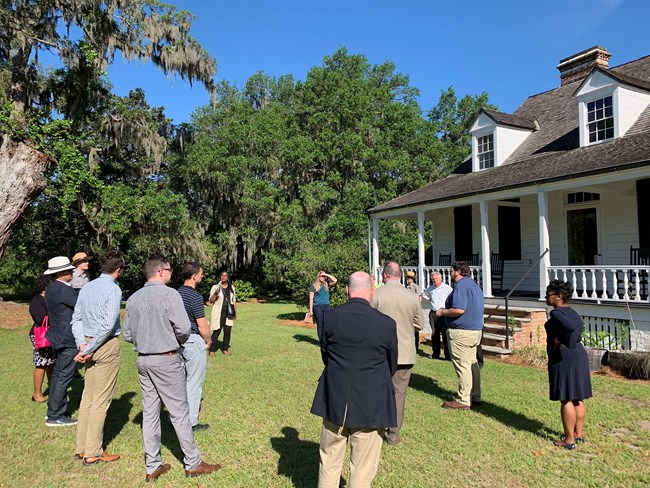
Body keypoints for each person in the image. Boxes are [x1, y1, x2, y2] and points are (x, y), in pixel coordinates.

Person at [122, 256, 221, 481]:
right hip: (166, 359)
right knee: (179, 411)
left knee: (150, 413)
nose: (171, 273)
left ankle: (152, 465)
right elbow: (185, 328)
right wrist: (171, 340)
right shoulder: (170, 294)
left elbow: (127, 333)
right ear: (160, 272)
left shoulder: (134, 298)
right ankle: (193, 462)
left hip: (143, 360)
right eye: (169, 270)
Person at [311, 271, 397, 488]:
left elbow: (326, 355)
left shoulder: (330, 317)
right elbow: (391, 364)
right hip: (371, 400)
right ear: (371, 292)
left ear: (347, 291)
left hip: (335, 396)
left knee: (329, 460)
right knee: (363, 466)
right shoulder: (386, 324)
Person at [71, 251, 125, 465]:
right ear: (118, 270)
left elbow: (76, 318)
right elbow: (108, 324)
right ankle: (93, 451)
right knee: (100, 400)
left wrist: (82, 344)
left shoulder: (87, 286)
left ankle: (82, 448)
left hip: (87, 342)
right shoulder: (113, 289)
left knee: (88, 397)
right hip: (103, 345)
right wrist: (87, 349)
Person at [370, 262, 424, 445]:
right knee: (399, 394)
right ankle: (392, 434)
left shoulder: (376, 294)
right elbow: (420, 324)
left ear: (385, 275)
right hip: (405, 352)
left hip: (380, 352)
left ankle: (374, 428)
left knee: (376, 390)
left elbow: (367, 319)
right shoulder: (412, 296)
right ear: (400, 275)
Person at [545, 280, 592, 450]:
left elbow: (572, 329)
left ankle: (568, 439)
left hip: (565, 358)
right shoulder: (572, 311)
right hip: (578, 355)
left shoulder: (557, 313)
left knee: (566, 398)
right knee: (577, 398)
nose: (546, 296)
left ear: (559, 297)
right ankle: (578, 435)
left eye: (549, 294)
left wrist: (563, 342)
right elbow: (577, 326)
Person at [436, 262, 484, 410]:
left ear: (458, 272)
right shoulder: (475, 286)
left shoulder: (461, 286)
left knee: (463, 365)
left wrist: (442, 312)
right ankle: (475, 395)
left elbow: (459, 310)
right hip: (475, 331)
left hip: (461, 333)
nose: (450, 274)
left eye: (451, 271)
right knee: (472, 364)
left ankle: (463, 400)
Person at [44, 256, 80, 427]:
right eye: (70, 270)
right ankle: (56, 415)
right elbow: (81, 303)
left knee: (58, 375)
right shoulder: (63, 290)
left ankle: (52, 411)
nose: (73, 272)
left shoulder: (52, 288)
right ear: (61, 272)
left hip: (58, 336)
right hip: (67, 338)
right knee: (63, 376)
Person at [178, 262, 211, 431]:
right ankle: (191, 421)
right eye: (201, 273)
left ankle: (175, 418)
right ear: (194, 276)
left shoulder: (175, 294)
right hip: (193, 340)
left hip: (176, 342)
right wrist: (208, 340)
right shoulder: (195, 297)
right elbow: (202, 325)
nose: (202, 276)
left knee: (180, 382)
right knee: (194, 382)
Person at [29, 275, 55, 403]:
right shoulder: (37, 301)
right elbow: (40, 319)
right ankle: (37, 394)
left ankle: (53, 388)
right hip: (40, 335)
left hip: (51, 334)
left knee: (51, 363)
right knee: (41, 364)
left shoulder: (49, 299)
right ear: (45, 287)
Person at [421, 271, 453, 360]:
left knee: (445, 334)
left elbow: (452, 298)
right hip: (433, 313)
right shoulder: (430, 289)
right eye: (433, 279)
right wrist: (430, 299)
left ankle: (448, 355)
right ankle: (436, 354)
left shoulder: (447, 288)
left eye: (436, 279)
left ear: (441, 278)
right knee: (435, 334)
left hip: (443, 313)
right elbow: (425, 296)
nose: (434, 281)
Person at [208, 271, 237, 356]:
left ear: (228, 277)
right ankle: (212, 350)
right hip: (218, 312)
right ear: (220, 277)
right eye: (222, 275)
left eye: (225, 276)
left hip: (229, 311)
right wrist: (215, 294)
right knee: (217, 330)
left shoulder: (231, 287)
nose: (223, 277)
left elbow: (233, 300)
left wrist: (235, 312)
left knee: (228, 331)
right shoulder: (215, 287)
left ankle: (225, 349)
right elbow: (211, 300)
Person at [309, 271, 337, 341]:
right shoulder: (314, 285)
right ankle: (322, 342)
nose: (323, 277)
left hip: (326, 306)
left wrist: (326, 274)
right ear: (318, 276)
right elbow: (311, 298)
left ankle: (326, 340)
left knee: (327, 324)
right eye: (321, 276)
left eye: (324, 276)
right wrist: (311, 310)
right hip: (317, 307)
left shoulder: (326, 284)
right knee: (320, 325)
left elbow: (335, 280)